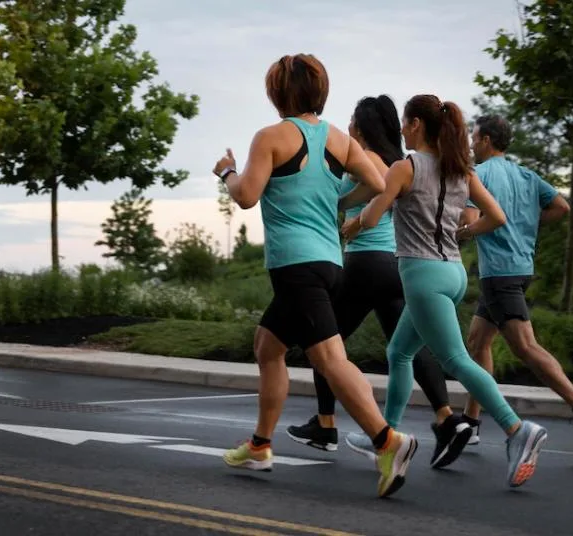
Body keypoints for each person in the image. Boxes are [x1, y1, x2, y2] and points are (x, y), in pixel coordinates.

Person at [212, 54, 418, 498]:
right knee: (268, 347)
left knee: (329, 359)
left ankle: (389, 442)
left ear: (277, 92)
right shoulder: (340, 140)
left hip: (296, 265)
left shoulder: (270, 137)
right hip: (329, 262)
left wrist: (227, 172)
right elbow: (380, 184)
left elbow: (246, 196)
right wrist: (338, 204)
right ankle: (261, 445)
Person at [341, 94, 548, 488]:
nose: (401, 129)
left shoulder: (406, 167)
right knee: (399, 352)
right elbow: (497, 216)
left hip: (422, 275)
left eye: (405, 122)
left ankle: (517, 429)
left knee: (455, 359)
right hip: (453, 273)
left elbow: (371, 213)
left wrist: (355, 222)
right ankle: (387, 436)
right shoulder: (460, 170)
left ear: (417, 124)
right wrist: (462, 232)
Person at [286, 94, 472, 469]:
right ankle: (446, 418)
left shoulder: (368, 160)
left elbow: (351, 194)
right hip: (394, 267)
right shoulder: (396, 161)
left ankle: (325, 425)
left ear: (364, 126)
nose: (349, 126)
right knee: (406, 348)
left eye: (354, 120)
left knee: (323, 341)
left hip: (366, 264)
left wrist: (342, 213)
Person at [460, 114, 573, 453]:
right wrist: (526, 224)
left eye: (474, 137)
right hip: (520, 268)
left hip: (499, 273)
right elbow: (561, 206)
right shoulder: (526, 175)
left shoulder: (478, 175)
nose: (470, 143)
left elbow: (469, 221)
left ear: (485, 140)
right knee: (477, 341)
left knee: (524, 347)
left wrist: (460, 232)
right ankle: (470, 421)